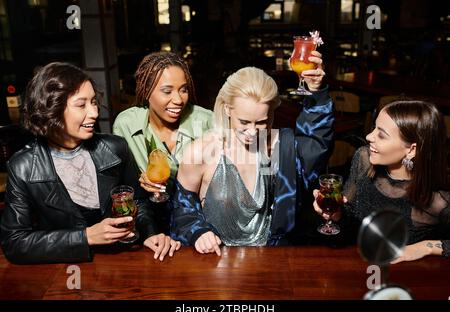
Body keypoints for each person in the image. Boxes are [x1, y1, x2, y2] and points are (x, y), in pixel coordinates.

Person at [0, 62, 180, 264]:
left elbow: (138, 202)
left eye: (94, 102)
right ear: (51, 109)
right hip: (66, 272)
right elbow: (14, 243)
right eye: (81, 104)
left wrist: (150, 233)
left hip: (124, 263)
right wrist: (85, 237)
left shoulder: (115, 148)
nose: (94, 112)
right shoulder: (23, 167)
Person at [171, 51, 334, 255]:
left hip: (271, 262)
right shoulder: (201, 151)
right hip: (218, 264)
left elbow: (315, 148)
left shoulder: (278, 146)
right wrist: (197, 232)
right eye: (244, 122)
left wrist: (316, 93)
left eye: (261, 122)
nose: (252, 132)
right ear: (228, 109)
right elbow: (181, 210)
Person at [313, 100, 450, 262]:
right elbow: (349, 221)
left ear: (412, 150)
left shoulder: (438, 199)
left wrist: (425, 247)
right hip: (356, 265)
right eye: (374, 128)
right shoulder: (364, 159)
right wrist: (337, 215)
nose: (368, 136)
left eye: (382, 135)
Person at [113, 51, 213, 232]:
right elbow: (119, 184)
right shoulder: (126, 125)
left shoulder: (206, 122)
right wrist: (139, 182)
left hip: (199, 222)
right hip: (150, 224)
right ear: (147, 90)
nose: (178, 100)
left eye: (183, 89)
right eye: (167, 91)